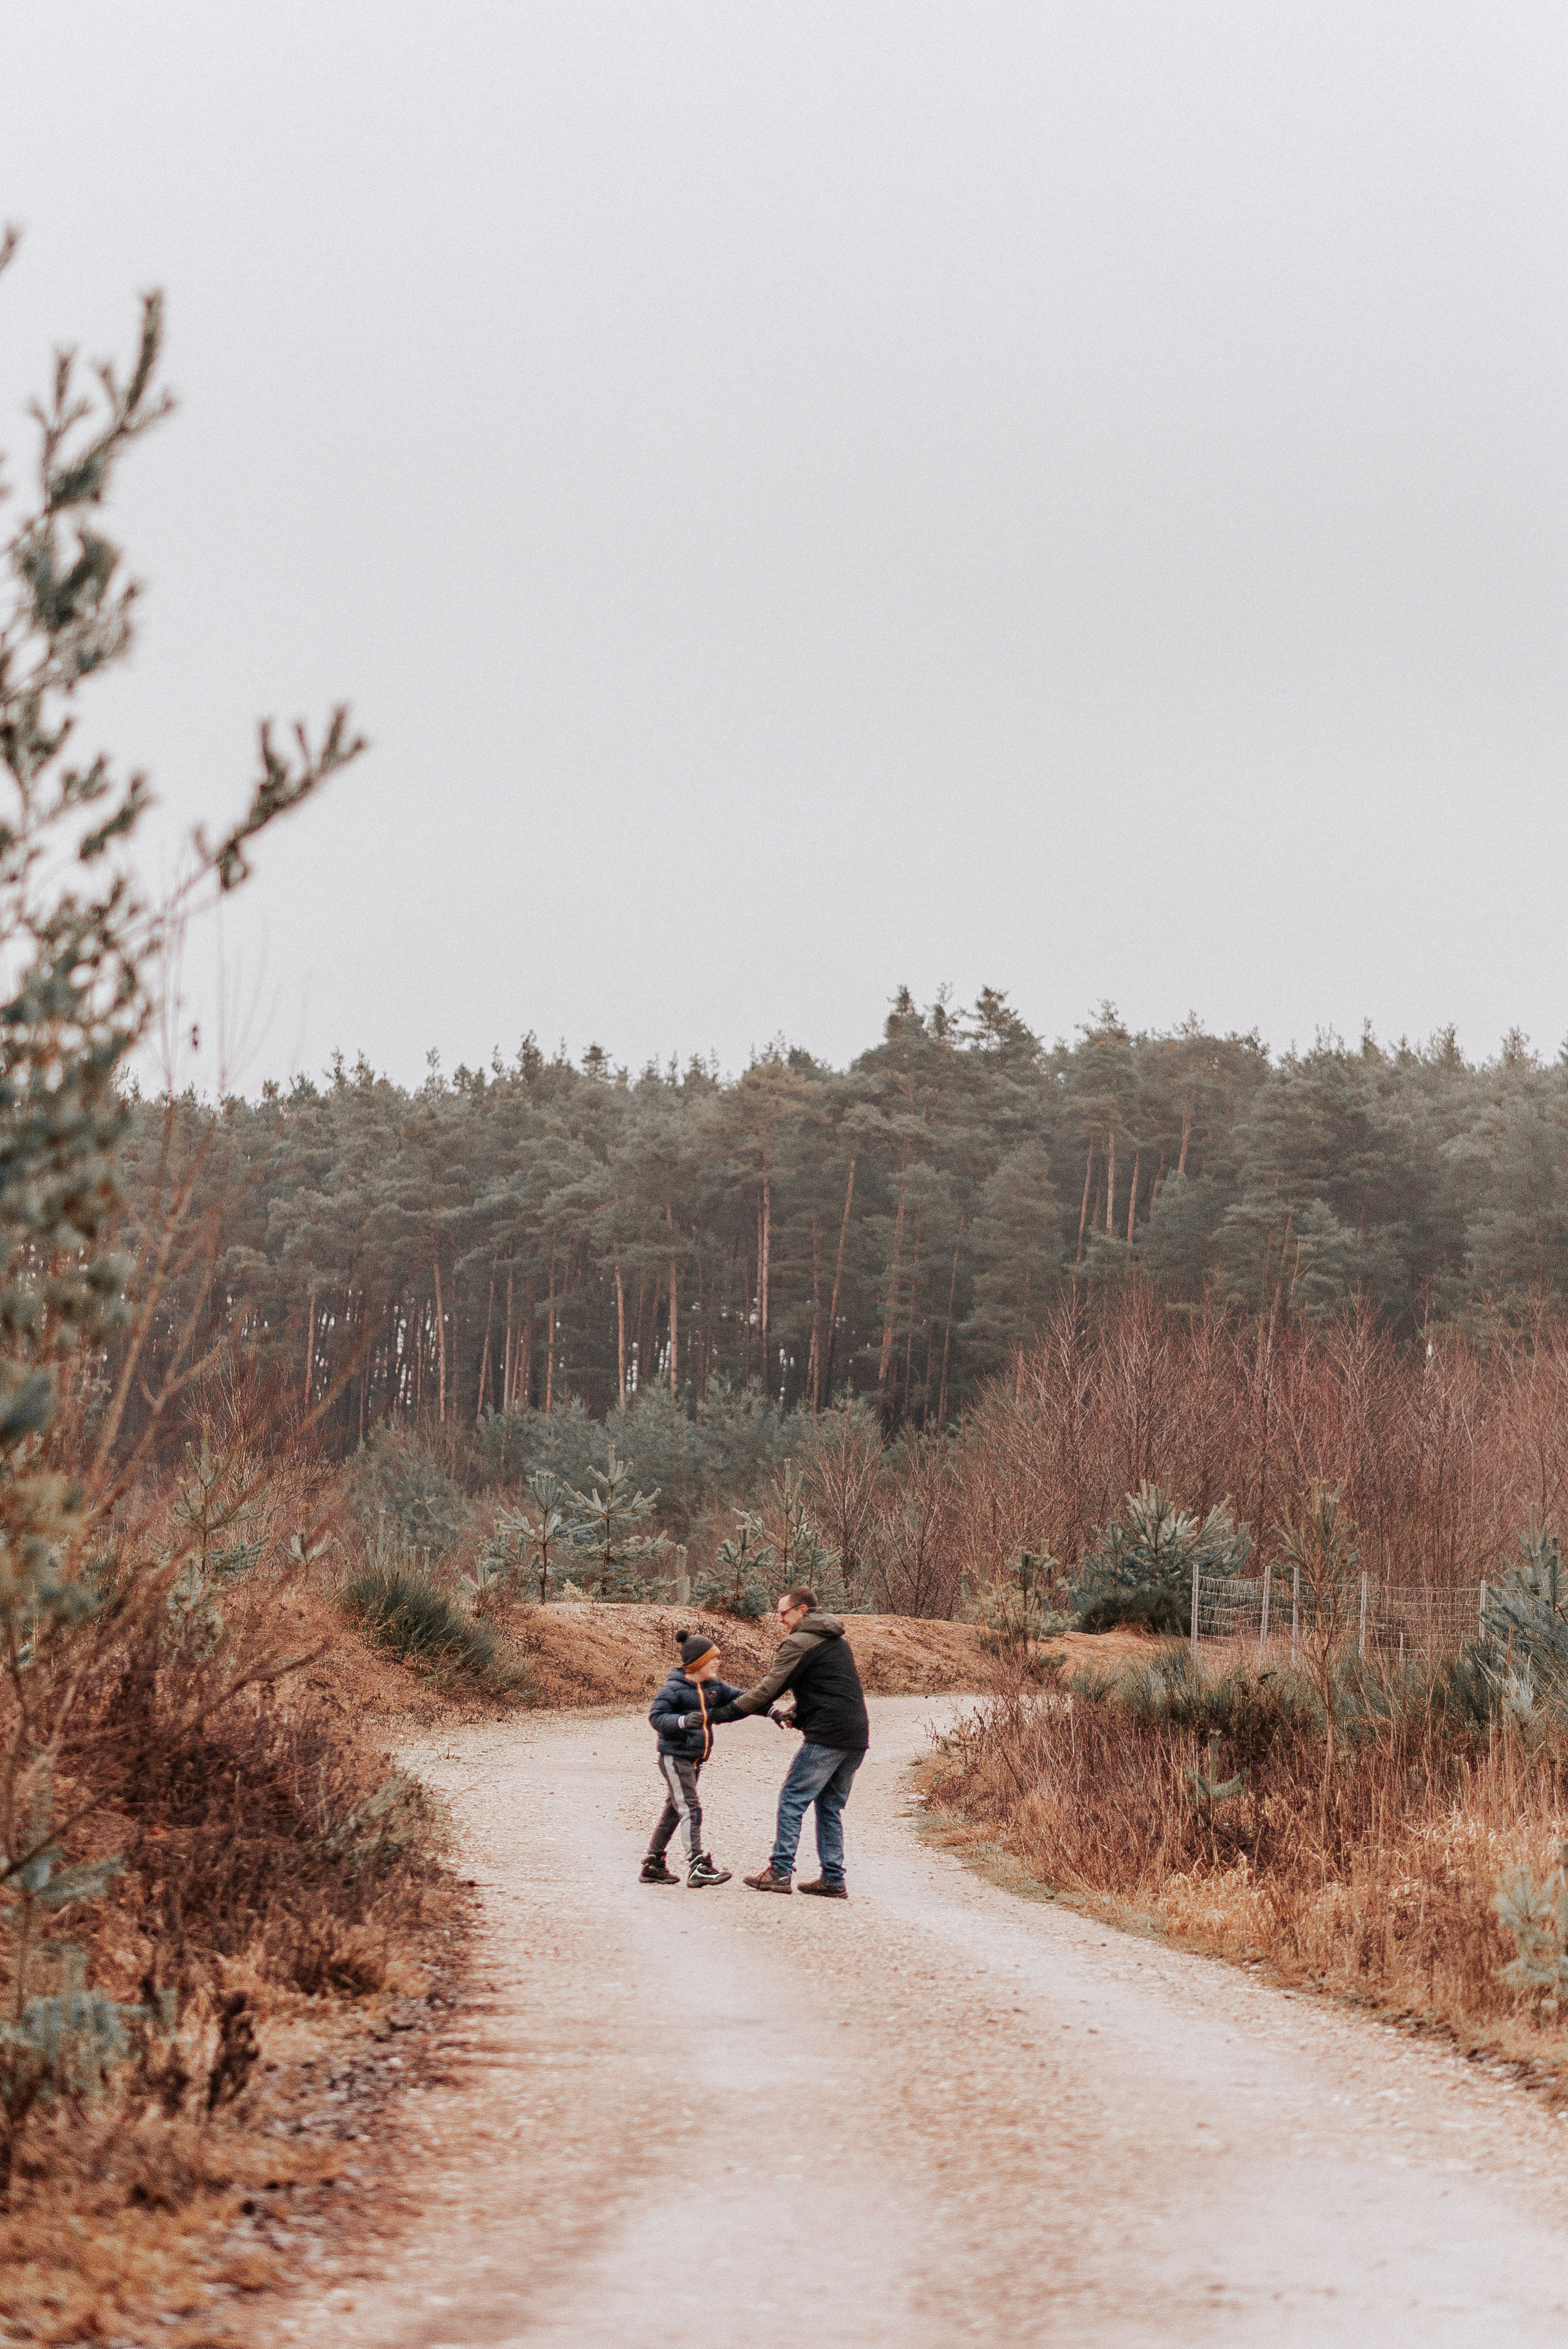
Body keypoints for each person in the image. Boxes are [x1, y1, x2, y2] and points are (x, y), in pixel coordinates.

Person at [719, 1587, 869, 1900]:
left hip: (828, 1738)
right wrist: (797, 1716)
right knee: (829, 1807)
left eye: (784, 1613)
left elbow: (767, 1690)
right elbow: (830, 1691)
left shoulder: (799, 1642)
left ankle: (780, 1871)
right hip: (855, 1737)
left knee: (792, 1800)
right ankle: (832, 1879)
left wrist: (724, 1714)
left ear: (801, 1610)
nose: (781, 1620)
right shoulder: (837, 1641)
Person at [643, 1629, 742, 1887]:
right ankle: (697, 1865)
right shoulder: (673, 1689)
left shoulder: (714, 1687)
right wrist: (683, 1721)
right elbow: (656, 1718)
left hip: (694, 1760)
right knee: (690, 1808)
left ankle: (653, 1864)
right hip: (675, 1757)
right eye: (713, 1659)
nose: (717, 1663)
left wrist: (773, 1709)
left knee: (675, 1810)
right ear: (698, 1663)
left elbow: (745, 1699)